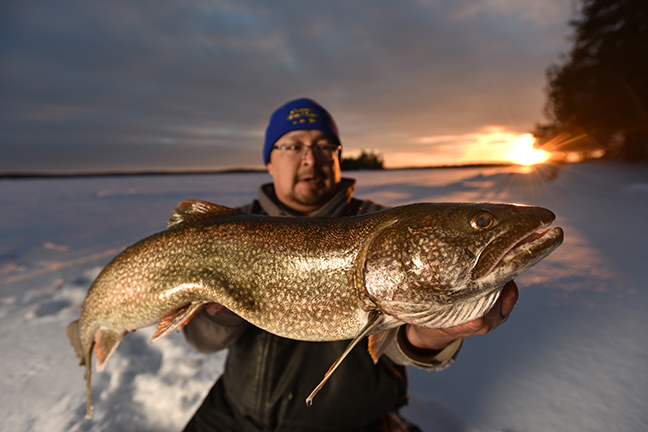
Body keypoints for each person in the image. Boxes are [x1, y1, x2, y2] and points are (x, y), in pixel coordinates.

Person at [182, 98, 519, 432]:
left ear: (338, 157)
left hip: (351, 423)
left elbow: (398, 340)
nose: (310, 158)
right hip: (234, 415)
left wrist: (434, 335)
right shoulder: (225, 230)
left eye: (325, 145)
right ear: (269, 160)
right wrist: (222, 303)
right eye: (292, 145)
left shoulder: (387, 228)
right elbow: (203, 341)